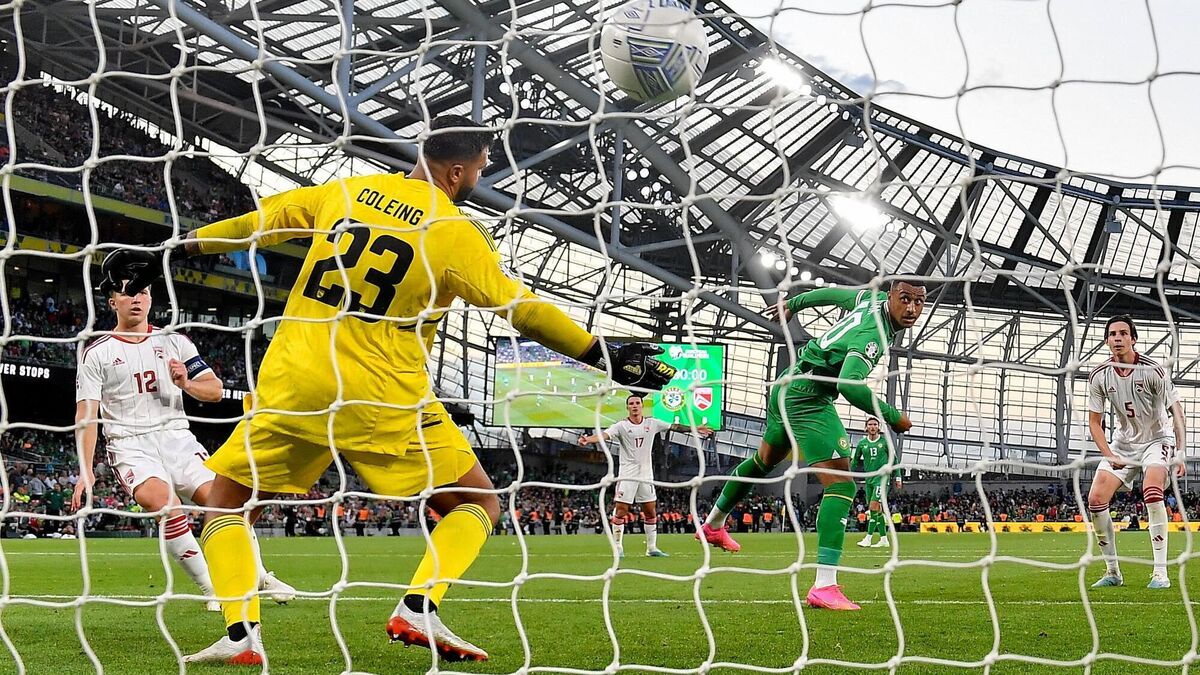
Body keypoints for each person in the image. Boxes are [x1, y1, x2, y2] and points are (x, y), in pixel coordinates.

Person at [110, 114, 676, 665]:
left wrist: (173, 252)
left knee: (227, 504)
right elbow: (521, 310)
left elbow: (260, 223)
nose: (481, 176)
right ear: (457, 172)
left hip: (296, 384)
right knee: (478, 502)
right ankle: (418, 608)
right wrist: (600, 354)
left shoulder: (346, 193)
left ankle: (242, 636)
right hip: (383, 396)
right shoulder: (454, 231)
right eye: (482, 167)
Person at [73, 256, 295, 613]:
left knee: (226, 507)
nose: (136, 299)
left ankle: (259, 577)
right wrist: (86, 471)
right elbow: (86, 415)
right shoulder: (97, 352)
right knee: (166, 506)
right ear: (112, 301)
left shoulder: (175, 342)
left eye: (142, 292)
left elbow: (216, 390)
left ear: (151, 299)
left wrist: (186, 383)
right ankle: (213, 589)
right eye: (127, 293)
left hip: (178, 439)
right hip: (130, 445)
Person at [697, 281, 925, 610]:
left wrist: (794, 304)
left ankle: (713, 524)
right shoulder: (873, 335)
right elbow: (848, 384)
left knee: (763, 463)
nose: (912, 309)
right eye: (905, 299)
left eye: (919, 302)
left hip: (786, 385)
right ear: (891, 296)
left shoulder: (869, 298)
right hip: (808, 399)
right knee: (842, 486)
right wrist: (891, 416)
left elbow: (831, 294)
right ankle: (824, 586)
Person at [1086, 315, 1186, 590]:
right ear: (1106, 341)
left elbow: (1177, 413)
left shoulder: (1153, 370)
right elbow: (1094, 422)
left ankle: (1160, 573)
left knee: (1151, 491)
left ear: (1133, 338)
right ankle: (1113, 572)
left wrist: (1180, 451)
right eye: (1112, 334)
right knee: (1096, 500)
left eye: (1123, 333)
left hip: (1157, 439)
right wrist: (1109, 453)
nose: (1117, 338)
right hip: (1123, 443)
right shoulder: (1099, 375)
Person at [580, 393, 712, 557]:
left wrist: (695, 428)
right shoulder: (621, 426)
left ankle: (651, 548)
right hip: (627, 474)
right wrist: (588, 440)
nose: (635, 406)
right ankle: (618, 547)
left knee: (650, 511)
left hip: (646, 475)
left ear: (642, 406)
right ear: (627, 407)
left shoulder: (652, 423)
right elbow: (604, 435)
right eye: (631, 404)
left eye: (637, 403)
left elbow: (674, 427)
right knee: (621, 511)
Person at [852, 417, 901, 548]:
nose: (872, 427)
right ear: (866, 427)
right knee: (877, 511)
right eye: (870, 424)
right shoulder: (862, 443)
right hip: (869, 479)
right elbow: (855, 461)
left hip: (882, 479)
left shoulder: (885, 442)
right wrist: (849, 474)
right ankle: (884, 539)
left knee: (873, 507)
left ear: (878, 427)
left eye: (875, 424)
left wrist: (898, 477)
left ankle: (868, 538)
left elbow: (894, 460)